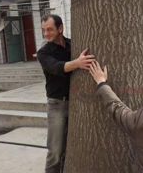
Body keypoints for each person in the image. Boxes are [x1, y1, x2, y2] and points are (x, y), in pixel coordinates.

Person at [37, 14, 95, 173]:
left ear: (60, 28)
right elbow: (56, 67)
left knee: (70, 149)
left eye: (49, 29)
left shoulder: (72, 45)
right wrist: (78, 63)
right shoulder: (43, 53)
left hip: (76, 102)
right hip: (57, 105)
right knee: (55, 151)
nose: (46, 34)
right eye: (44, 30)